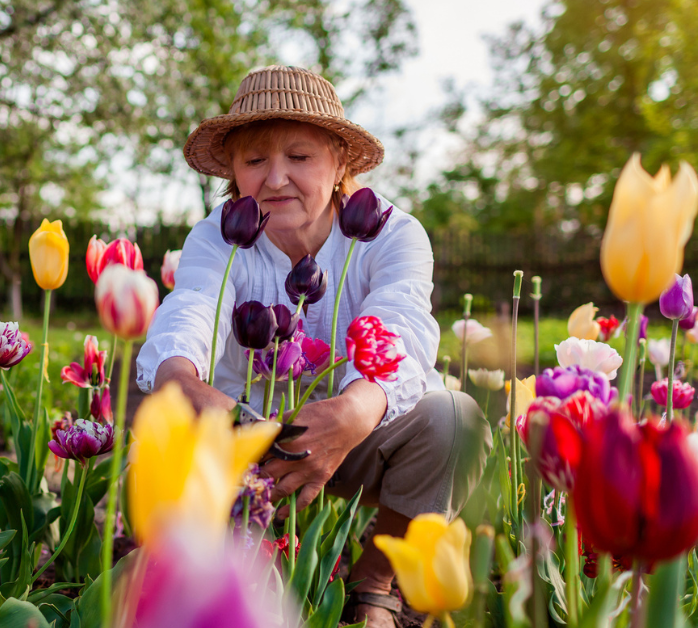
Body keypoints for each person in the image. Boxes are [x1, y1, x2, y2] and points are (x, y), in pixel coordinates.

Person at [135, 65, 491, 628]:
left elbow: (400, 326)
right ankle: (247, 582)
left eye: (299, 157)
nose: (275, 179)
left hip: (359, 433)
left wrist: (354, 410)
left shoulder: (392, 236)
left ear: (340, 163)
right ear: (233, 170)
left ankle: (375, 581)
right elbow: (191, 309)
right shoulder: (218, 239)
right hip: (246, 438)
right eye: (255, 160)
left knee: (456, 419)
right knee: (161, 408)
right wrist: (181, 379)